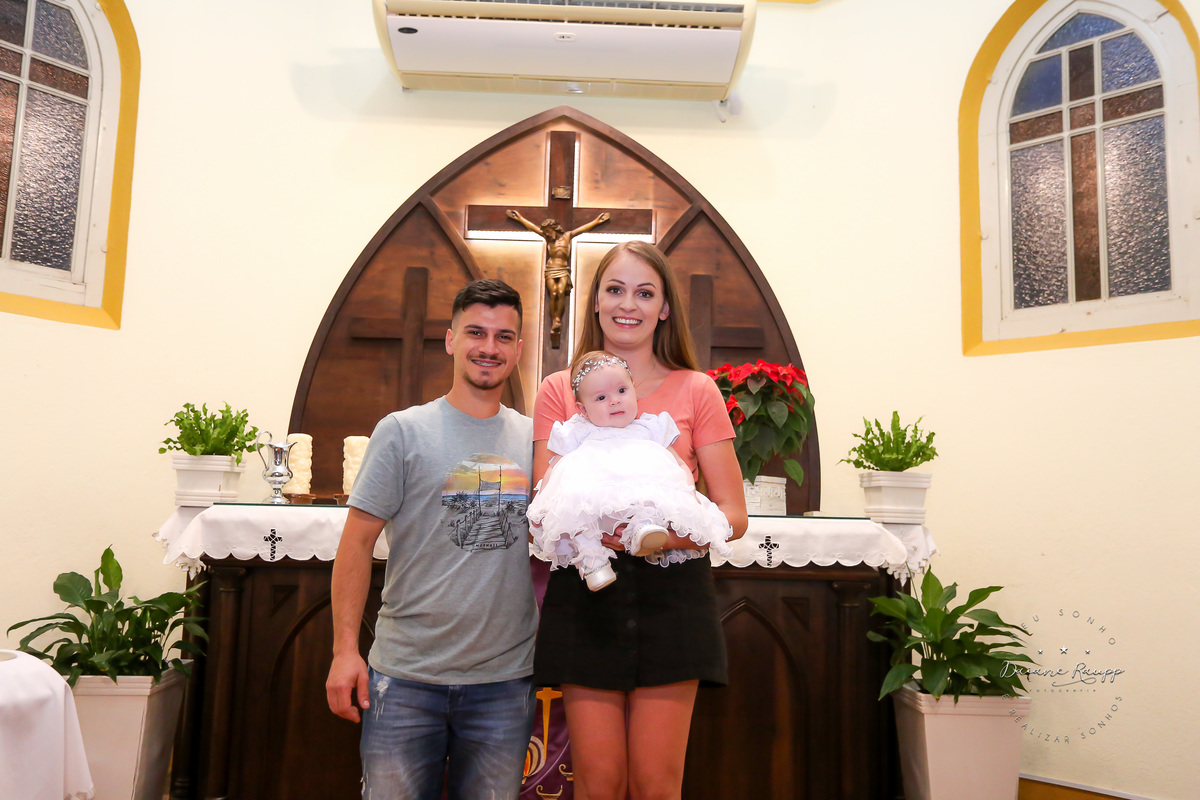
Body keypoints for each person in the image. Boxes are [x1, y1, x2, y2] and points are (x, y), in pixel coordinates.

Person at [531, 241, 748, 800]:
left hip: (673, 595)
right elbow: (545, 507)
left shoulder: (697, 389)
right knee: (599, 782)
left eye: (645, 293)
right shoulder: (559, 390)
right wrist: (606, 537)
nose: (629, 304)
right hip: (588, 594)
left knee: (656, 784)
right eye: (615, 289)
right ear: (595, 301)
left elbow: (733, 514)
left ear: (664, 308)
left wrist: (656, 539)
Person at [325, 278, 538, 800]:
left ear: (518, 349)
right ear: (450, 340)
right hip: (405, 677)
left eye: (503, 337)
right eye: (476, 332)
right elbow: (355, 545)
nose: (489, 347)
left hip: (503, 681)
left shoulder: (537, 442)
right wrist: (344, 651)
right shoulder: (402, 431)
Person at [527, 350, 733, 591]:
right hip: (590, 500)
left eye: (622, 391)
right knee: (575, 518)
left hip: (637, 497)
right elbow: (554, 467)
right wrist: (543, 502)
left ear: (634, 390)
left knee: (651, 500)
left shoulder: (650, 428)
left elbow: (678, 464)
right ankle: (593, 562)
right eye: (601, 397)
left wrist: (687, 492)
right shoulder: (577, 432)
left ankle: (644, 530)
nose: (614, 400)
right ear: (582, 409)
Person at [506, 208, 610, 347]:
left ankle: (557, 320)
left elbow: (582, 229)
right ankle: (555, 319)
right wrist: (519, 218)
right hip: (551, 269)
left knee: (560, 292)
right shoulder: (548, 239)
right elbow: (532, 228)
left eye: (548, 231)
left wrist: (597, 221)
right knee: (553, 293)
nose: (547, 234)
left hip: (563, 269)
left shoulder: (567, 236)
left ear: (554, 229)